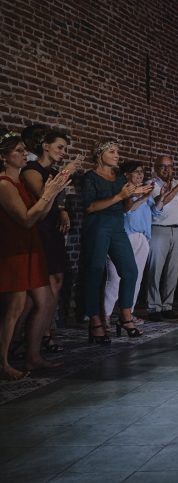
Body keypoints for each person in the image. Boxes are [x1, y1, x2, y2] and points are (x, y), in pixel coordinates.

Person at [0, 131, 71, 379]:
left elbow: (40, 214)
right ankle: (4, 362)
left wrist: (51, 194)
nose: (23, 154)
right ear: (4, 157)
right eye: (18, 151)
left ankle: (33, 354)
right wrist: (49, 194)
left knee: (45, 300)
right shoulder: (5, 184)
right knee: (14, 307)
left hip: (31, 247)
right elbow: (27, 220)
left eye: (23, 149)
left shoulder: (19, 182)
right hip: (15, 249)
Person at [81, 141, 150, 341]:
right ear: (100, 154)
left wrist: (135, 194)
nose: (117, 155)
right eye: (112, 152)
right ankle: (95, 323)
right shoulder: (90, 177)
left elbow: (126, 208)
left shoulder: (119, 178)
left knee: (130, 271)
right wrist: (120, 195)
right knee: (95, 274)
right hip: (98, 228)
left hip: (117, 228)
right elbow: (90, 207)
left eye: (118, 152)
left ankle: (125, 316)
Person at [21, 128, 78, 353]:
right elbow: (42, 199)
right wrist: (64, 175)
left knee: (57, 279)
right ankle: (34, 336)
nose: (63, 152)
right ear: (45, 146)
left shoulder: (50, 170)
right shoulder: (31, 170)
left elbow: (56, 202)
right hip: (39, 230)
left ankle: (46, 330)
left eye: (65, 148)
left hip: (53, 228)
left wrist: (63, 210)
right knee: (38, 286)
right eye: (60, 147)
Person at [102, 161, 164, 324]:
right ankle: (105, 315)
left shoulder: (144, 190)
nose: (140, 174)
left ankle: (128, 314)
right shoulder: (122, 190)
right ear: (126, 174)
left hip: (142, 237)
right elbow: (128, 209)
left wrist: (161, 197)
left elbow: (155, 211)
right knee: (115, 278)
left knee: (136, 278)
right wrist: (144, 196)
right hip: (123, 237)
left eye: (142, 172)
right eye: (136, 172)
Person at [146, 155, 178, 321]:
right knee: (155, 270)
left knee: (172, 271)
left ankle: (167, 306)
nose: (166, 169)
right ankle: (153, 308)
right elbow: (162, 202)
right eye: (162, 166)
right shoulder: (150, 185)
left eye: (169, 166)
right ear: (156, 168)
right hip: (159, 229)